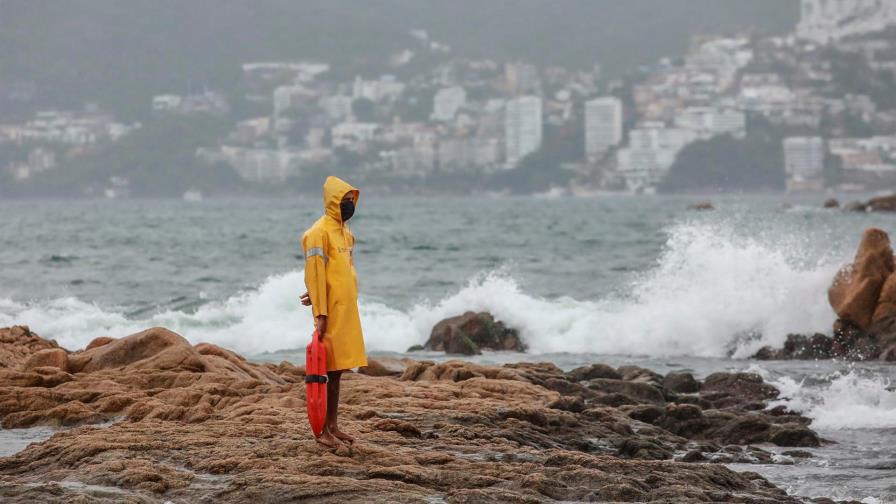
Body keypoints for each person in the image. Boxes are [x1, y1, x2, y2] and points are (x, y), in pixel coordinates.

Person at [299, 176, 367, 449]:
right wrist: (320, 311)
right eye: (345, 200)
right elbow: (314, 272)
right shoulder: (318, 232)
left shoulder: (346, 233)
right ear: (333, 201)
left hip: (347, 309)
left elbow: (337, 273)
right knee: (325, 371)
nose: (349, 205)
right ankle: (321, 431)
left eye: (352, 200)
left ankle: (334, 425)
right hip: (330, 312)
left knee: (338, 370)